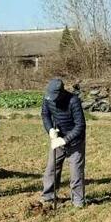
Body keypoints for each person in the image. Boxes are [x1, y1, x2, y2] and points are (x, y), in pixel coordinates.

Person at [40, 78, 86, 207]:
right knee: (51, 169)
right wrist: (50, 130)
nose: (52, 99)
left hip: (75, 141)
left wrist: (64, 140)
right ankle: (48, 197)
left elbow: (80, 125)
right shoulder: (48, 98)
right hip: (57, 138)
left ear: (61, 93)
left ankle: (78, 201)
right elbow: (45, 114)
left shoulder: (73, 100)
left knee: (76, 172)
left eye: (55, 96)